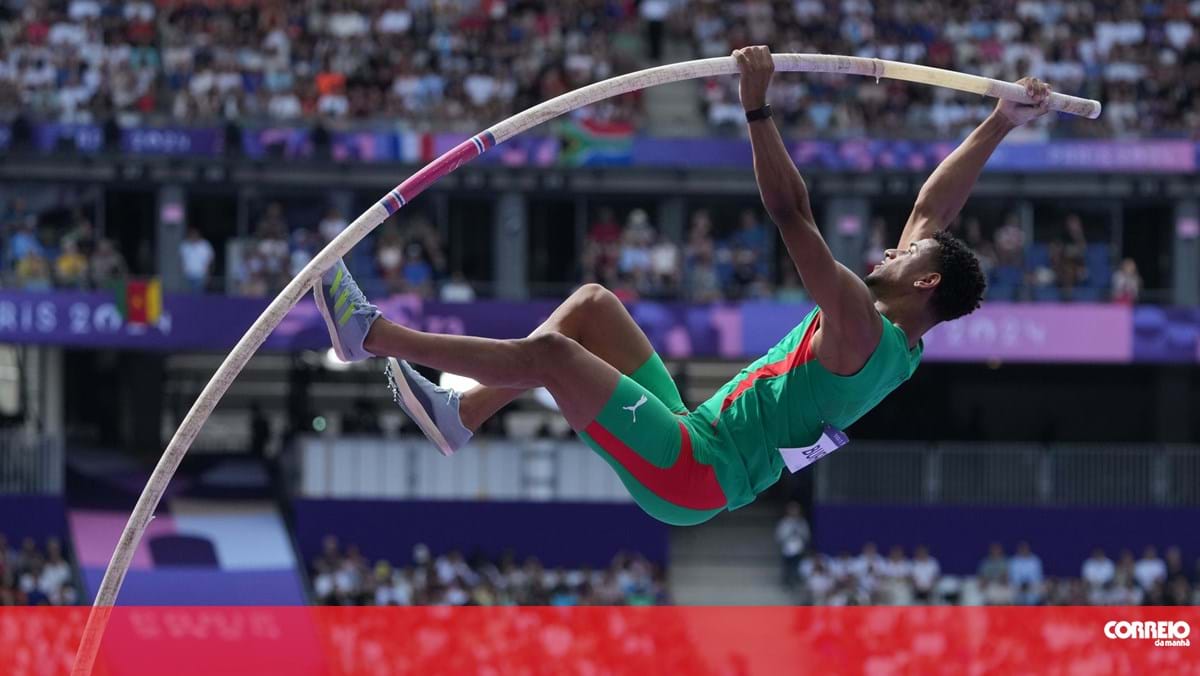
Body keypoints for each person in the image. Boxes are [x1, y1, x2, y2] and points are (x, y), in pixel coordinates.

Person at [311, 46, 1049, 527]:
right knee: (592, 309)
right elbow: (934, 211)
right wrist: (998, 122)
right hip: (696, 435)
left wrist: (756, 108)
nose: (889, 244)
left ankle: (371, 335)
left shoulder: (861, 323)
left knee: (556, 358)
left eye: (903, 250)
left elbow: (791, 211)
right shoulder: (902, 328)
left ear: (922, 281)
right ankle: (460, 414)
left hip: (694, 477)